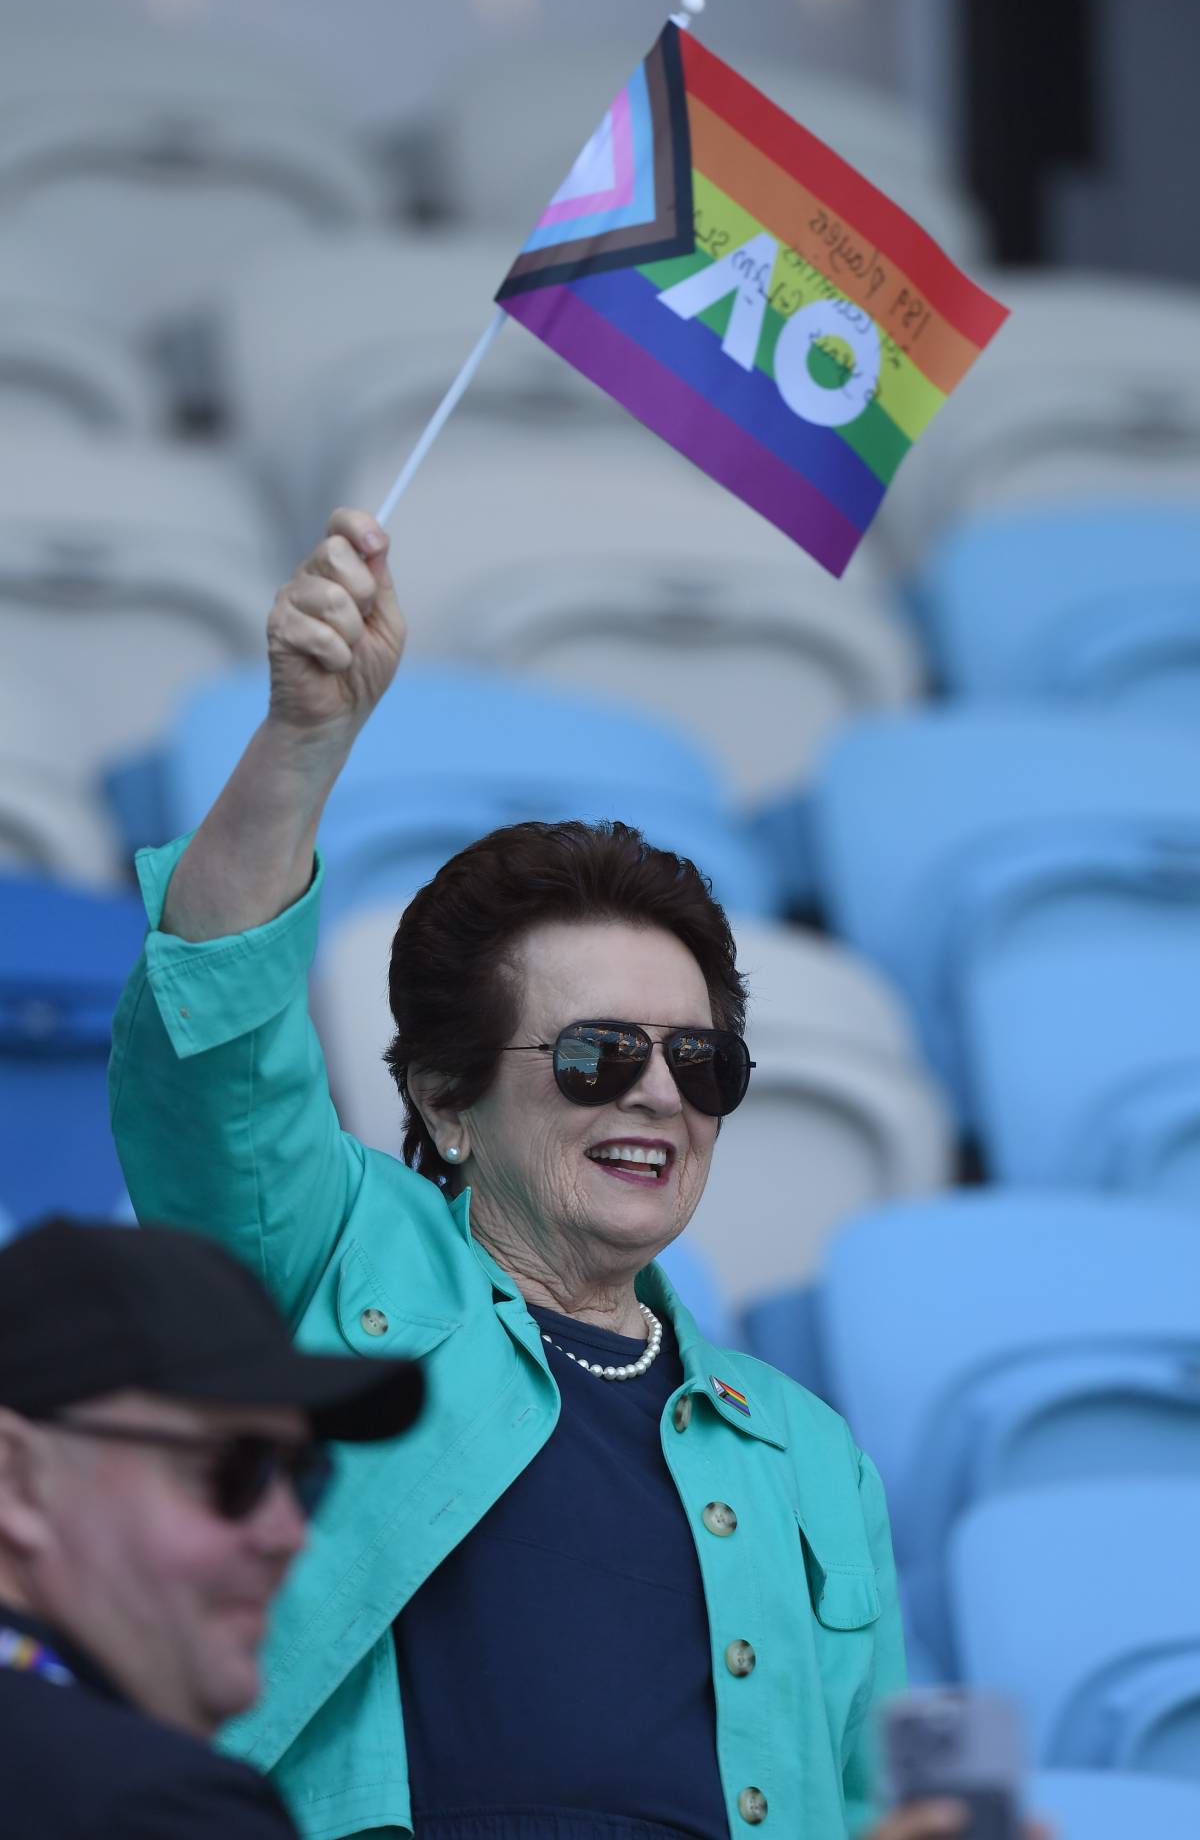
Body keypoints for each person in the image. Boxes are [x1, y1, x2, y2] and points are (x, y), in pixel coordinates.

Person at [110, 509, 1050, 1840]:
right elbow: (217, 1056)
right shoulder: (326, 1267)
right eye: (601, 1055)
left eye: (702, 1062)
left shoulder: (807, 1454)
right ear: (447, 1097)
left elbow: (852, 1804)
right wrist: (306, 740)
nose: (663, 1093)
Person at [0, 1214, 422, 1839]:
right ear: (17, 1481)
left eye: (302, 1476)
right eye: (235, 1469)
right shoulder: (154, 1809)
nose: (287, 1534)